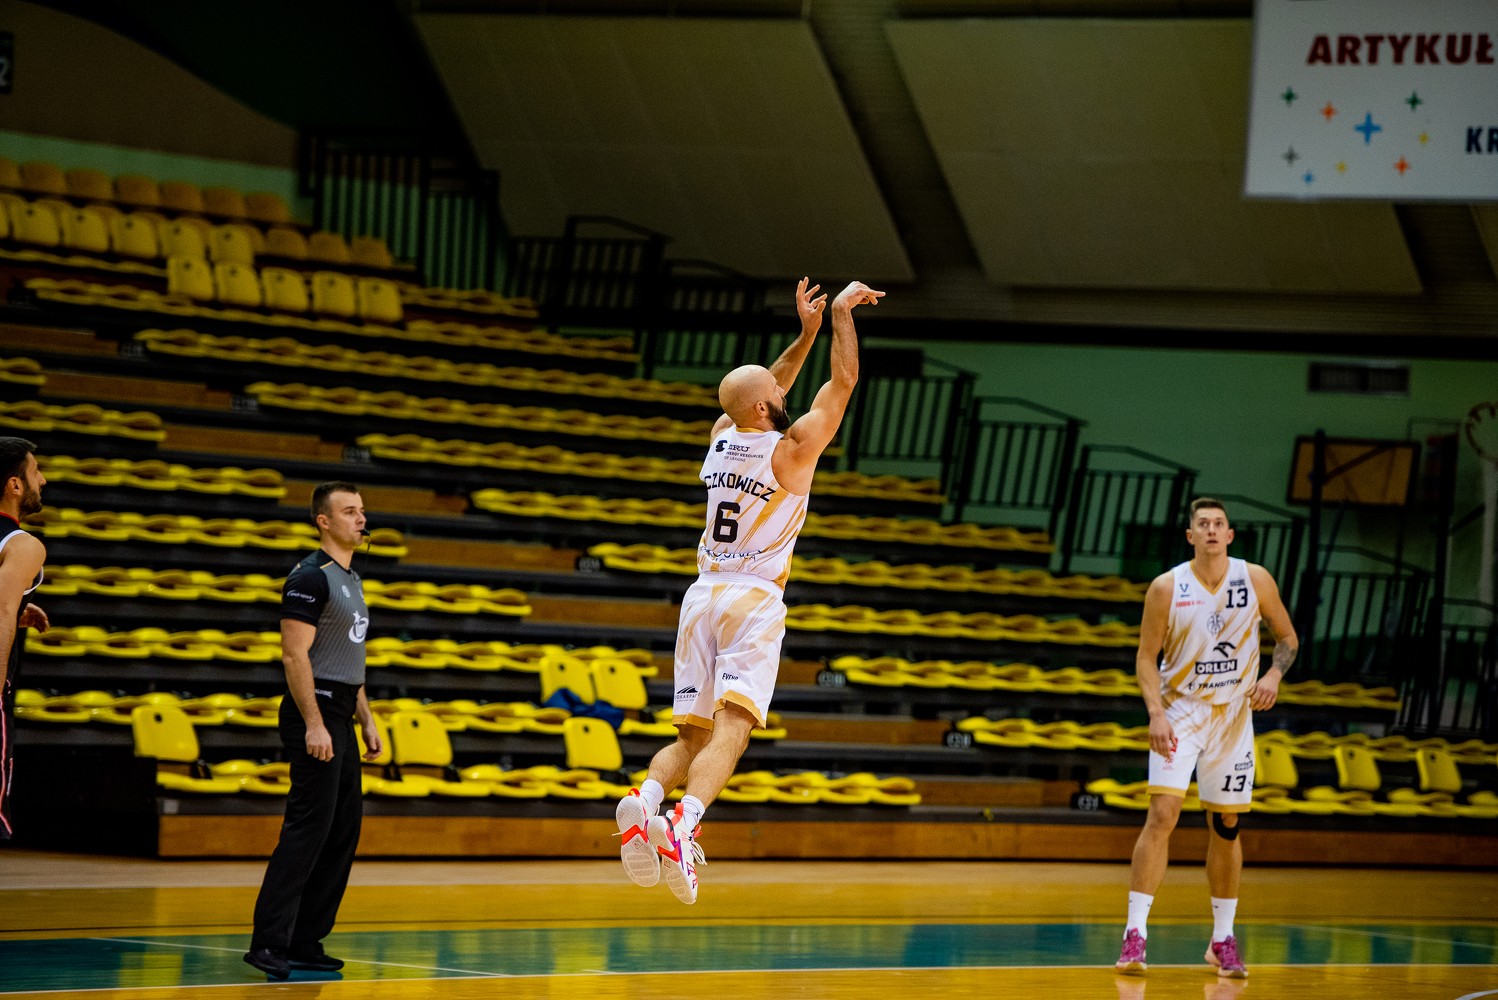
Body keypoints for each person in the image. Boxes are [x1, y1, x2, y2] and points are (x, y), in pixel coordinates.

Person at [614, 277, 884, 904]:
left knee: (689, 737)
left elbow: (765, 387)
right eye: (776, 394)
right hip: (752, 599)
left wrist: (804, 335)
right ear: (767, 408)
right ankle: (682, 825)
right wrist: (840, 316)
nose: (783, 392)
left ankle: (644, 800)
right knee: (733, 727)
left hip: (701, 595)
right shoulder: (793, 450)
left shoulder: (721, 434)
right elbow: (843, 382)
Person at [1114, 497, 1298, 978]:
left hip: (1234, 716)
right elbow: (1145, 657)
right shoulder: (1166, 587)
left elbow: (1288, 638)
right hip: (1181, 712)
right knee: (1163, 813)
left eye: (1219, 524)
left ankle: (1222, 940)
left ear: (1230, 535)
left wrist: (1273, 676)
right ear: (1190, 535)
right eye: (1203, 524)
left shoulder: (1255, 579)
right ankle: (1135, 935)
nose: (1212, 530)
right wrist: (1156, 713)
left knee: (1227, 825)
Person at [245, 482, 383, 980]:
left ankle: (306, 940)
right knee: (308, 829)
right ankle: (269, 942)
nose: (360, 519)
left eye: (361, 511)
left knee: (342, 830)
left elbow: (348, 656)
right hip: (316, 711)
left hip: (341, 710)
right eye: (349, 512)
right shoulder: (310, 576)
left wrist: (365, 717)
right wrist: (314, 724)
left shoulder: (352, 579)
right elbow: (294, 655)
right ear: (323, 521)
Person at [0, 437, 49, 841]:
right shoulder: (22, 544)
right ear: (15, 485)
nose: (42, 480)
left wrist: (17, 611)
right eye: (35, 472)